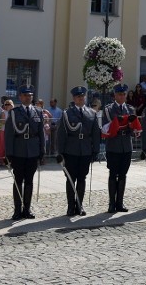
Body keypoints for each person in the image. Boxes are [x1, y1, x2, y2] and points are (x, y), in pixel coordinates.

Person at [56, 86, 100, 216]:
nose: (81, 98)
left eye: (83, 96)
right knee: (70, 179)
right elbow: (62, 134)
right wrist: (61, 152)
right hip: (71, 150)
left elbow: (96, 133)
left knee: (82, 178)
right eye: (78, 97)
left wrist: (95, 150)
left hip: (85, 150)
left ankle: (80, 205)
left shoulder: (92, 113)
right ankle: (71, 206)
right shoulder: (67, 113)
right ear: (74, 98)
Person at [5, 87, 46, 220]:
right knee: (18, 181)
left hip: (33, 150)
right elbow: (9, 134)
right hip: (19, 150)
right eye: (25, 95)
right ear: (20, 97)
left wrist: (42, 150)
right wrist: (9, 153)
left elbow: (41, 132)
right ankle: (17, 210)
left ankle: (27, 209)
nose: (28, 98)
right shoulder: (14, 112)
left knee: (29, 181)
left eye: (30, 95)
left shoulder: (38, 112)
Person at [102, 84, 141, 213]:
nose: (122, 96)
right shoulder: (109, 109)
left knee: (123, 175)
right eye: (119, 94)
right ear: (115, 95)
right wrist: (125, 124)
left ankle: (120, 203)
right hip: (113, 145)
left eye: (124, 94)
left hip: (126, 146)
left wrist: (125, 124)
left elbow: (133, 126)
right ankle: (111, 203)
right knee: (113, 174)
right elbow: (109, 126)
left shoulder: (130, 109)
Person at [0, 99, 12, 166]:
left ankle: (9, 160)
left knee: (9, 146)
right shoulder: (3, 112)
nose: (8, 106)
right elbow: (2, 122)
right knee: (2, 146)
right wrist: (10, 121)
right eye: (6, 104)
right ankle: (0, 160)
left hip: (11, 131)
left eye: (9, 104)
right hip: (3, 130)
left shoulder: (13, 112)